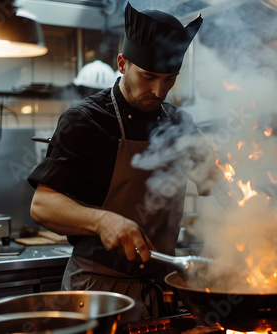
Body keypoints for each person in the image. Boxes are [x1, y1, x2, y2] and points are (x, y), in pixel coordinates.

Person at [28, 2, 203, 320]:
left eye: (169, 79)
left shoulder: (180, 124)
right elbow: (42, 205)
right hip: (97, 293)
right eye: (148, 76)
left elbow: (217, 181)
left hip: (163, 290)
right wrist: (103, 220)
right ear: (122, 63)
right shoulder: (85, 120)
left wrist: (266, 216)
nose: (158, 91)